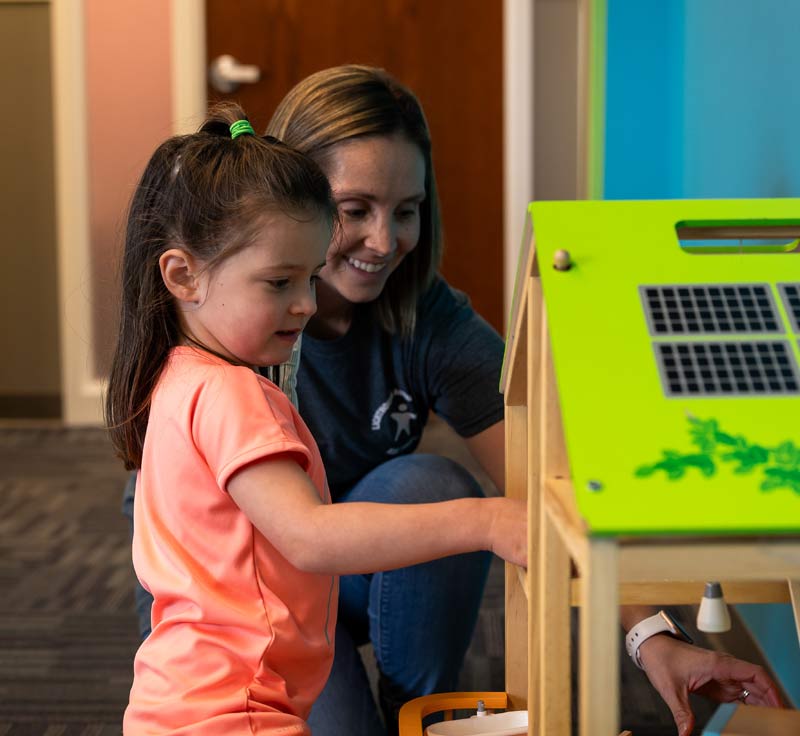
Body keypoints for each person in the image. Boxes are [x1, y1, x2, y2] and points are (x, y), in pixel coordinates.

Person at [122, 68, 783, 736]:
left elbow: (550, 479)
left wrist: (653, 635)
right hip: (248, 632)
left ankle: (413, 710)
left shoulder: (193, 363)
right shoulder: (231, 373)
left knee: (428, 482)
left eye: (405, 210)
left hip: (287, 618)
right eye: (354, 211)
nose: (384, 242)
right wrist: (486, 520)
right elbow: (285, 540)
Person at [107, 102, 527, 734]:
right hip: (241, 701)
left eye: (308, 278)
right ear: (182, 274)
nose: (305, 304)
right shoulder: (233, 394)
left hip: (185, 692)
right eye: (280, 282)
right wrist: (487, 519)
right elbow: (308, 536)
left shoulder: (175, 377)